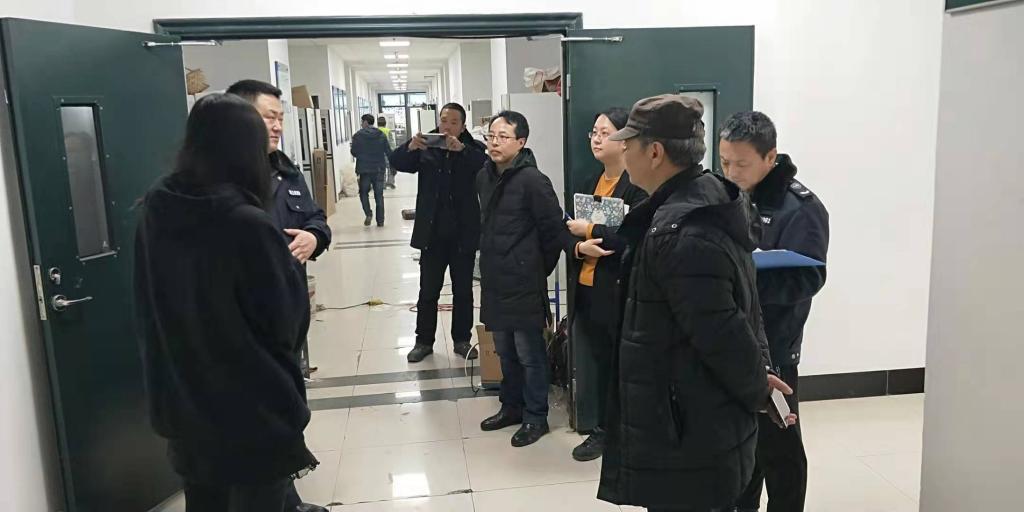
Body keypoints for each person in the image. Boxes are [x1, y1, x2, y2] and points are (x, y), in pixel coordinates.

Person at [595, 95, 795, 512]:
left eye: (628, 144)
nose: (622, 151)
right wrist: (759, 373)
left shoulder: (684, 233)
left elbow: (723, 333)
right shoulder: (702, 202)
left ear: (654, 152)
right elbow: (739, 314)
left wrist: (758, 384)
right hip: (692, 420)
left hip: (687, 432)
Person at [134, 93, 318, 512]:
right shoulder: (246, 222)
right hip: (250, 408)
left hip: (184, 398)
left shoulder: (158, 206)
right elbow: (285, 323)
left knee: (205, 499)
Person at [225, 79, 331, 512]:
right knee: (259, 422)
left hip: (286, 320)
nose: (277, 126)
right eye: (268, 117)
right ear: (239, 119)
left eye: (281, 118)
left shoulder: (286, 172)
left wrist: (314, 237)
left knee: (284, 412)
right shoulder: (219, 184)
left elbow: (316, 217)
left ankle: (285, 497)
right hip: (244, 331)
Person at [720, 112, 829, 512]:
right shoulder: (725, 196)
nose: (731, 173)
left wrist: (745, 280)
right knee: (741, 446)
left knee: (779, 448)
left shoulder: (800, 208)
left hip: (775, 348)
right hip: (732, 340)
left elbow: (809, 277)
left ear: (770, 157)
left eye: (741, 164)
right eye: (725, 162)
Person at [476, 111, 568, 448]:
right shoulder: (484, 176)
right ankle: (511, 407)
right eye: (491, 136)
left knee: (530, 354)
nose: (495, 142)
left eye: (503, 137)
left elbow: (553, 232)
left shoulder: (533, 181)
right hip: (495, 280)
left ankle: (535, 417)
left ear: (521, 142)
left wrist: (533, 267)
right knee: (504, 351)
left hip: (524, 282)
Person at [564, 107, 648, 462]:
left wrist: (590, 230)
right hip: (587, 289)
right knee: (599, 363)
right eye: (594, 133)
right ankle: (604, 427)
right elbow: (567, 230)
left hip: (619, 292)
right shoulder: (589, 183)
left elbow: (631, 238)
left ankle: (615, 432)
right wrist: (578, 246)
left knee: (622, 367)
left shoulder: (638, 188)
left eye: (604, 132)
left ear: (625, 139)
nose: (597, 139)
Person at [390, 103, 488, 363]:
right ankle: (423, 341)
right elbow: (397, 162)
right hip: (432, 234)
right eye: (444, 120)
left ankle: (462, 340)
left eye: (454, 122)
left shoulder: (473, 148)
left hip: (463, 234)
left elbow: (486, 168)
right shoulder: (427, 145)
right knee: (428, 291)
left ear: (463, 126)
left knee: (463, 291)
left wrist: (462, 150)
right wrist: (410, 146)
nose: (447, 126)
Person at [351, 113, 391, 227]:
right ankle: (380, 221)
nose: (361, 124)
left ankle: (368, 214)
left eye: (362, 122)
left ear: (365, 122)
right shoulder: (381, 135)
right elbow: (388, 151)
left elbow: (354, 152)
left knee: (363, 193)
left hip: (364, 169)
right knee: (379, 195)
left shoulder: (358, 136)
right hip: (379, 168)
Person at [378, 116, 398, 189]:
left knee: (381, 169)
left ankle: (382, 184)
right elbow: (391, 143)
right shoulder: (388, 131)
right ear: (385, 123)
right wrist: (394, 151)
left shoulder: (376, 131)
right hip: (387, 152)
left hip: (379, 153)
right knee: (390, 167)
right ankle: (390, 183)